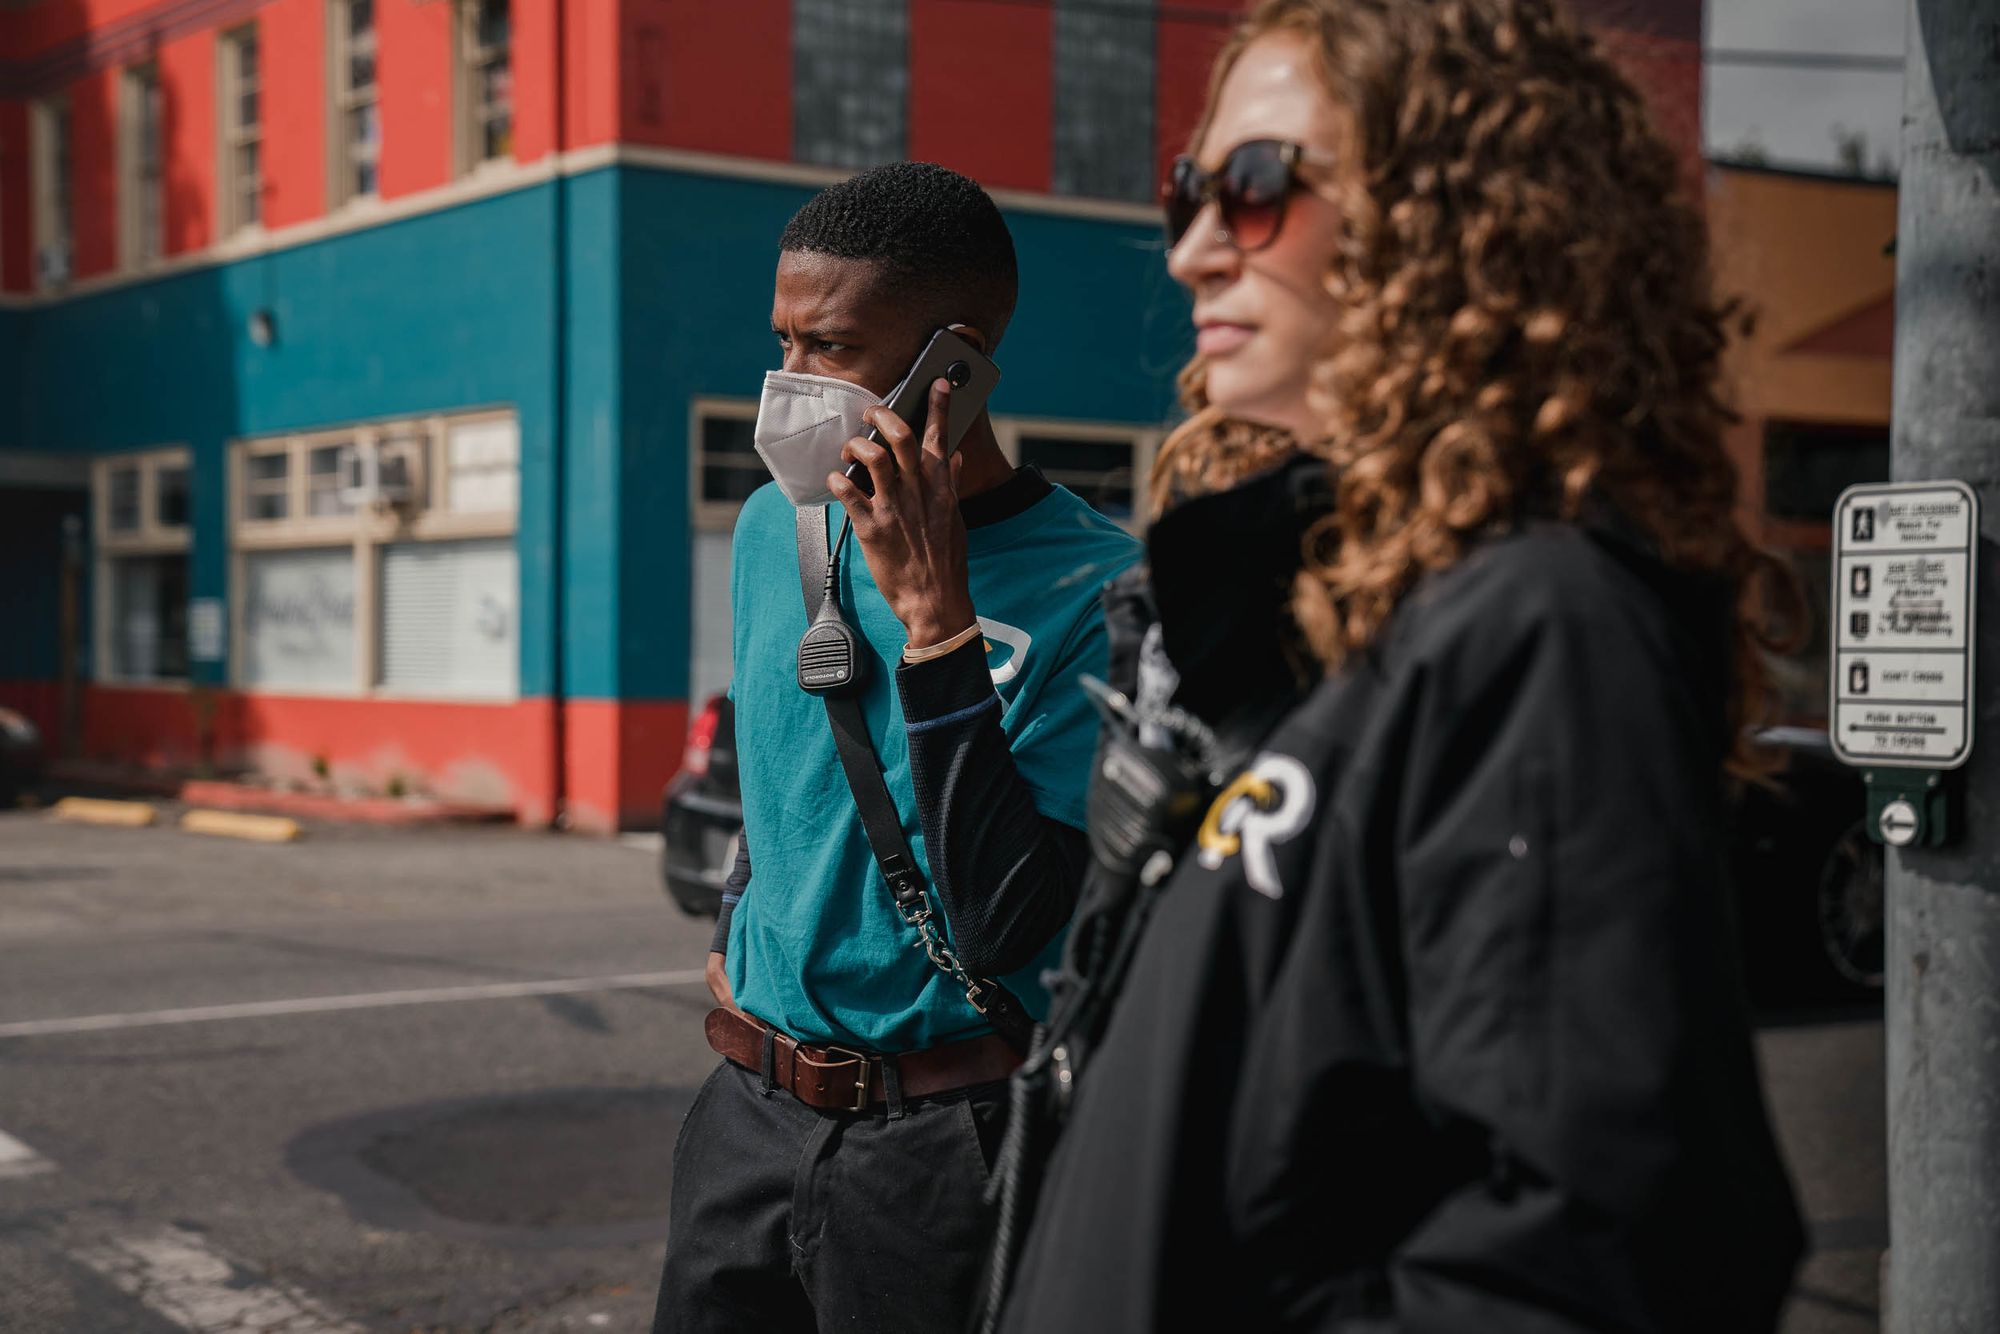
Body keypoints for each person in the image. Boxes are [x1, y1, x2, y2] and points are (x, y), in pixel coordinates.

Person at [988, 2, 1807, 1330]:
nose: (1195, 249)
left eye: (1256, 190)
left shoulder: (1539, 629)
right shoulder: (1332, 622)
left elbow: (1608, 1250)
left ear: (1457, 221)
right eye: (1190, 191)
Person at [651, 162, 1142, 1333]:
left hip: (941, 1149)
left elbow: (1015, 918)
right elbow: (779, 761)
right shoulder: (778, 527)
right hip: (745, 1123)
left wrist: (937, 622)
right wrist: (735, 911)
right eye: (783, 341)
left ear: (952, 367)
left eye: (831, 348)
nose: (790, 385)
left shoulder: (1101, 590)